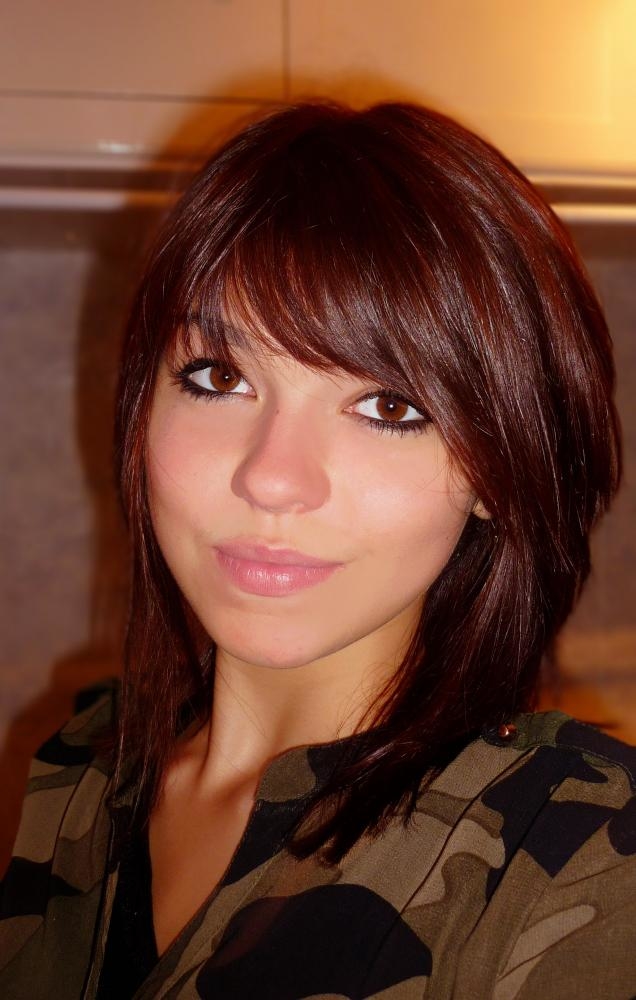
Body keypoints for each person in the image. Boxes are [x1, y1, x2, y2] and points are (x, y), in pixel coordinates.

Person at [1, 100, 634, 1000]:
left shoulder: (578, 853)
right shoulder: (81, 764)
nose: (273, 479)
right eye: (220, 377)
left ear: (498, 470)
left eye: (388, 407)